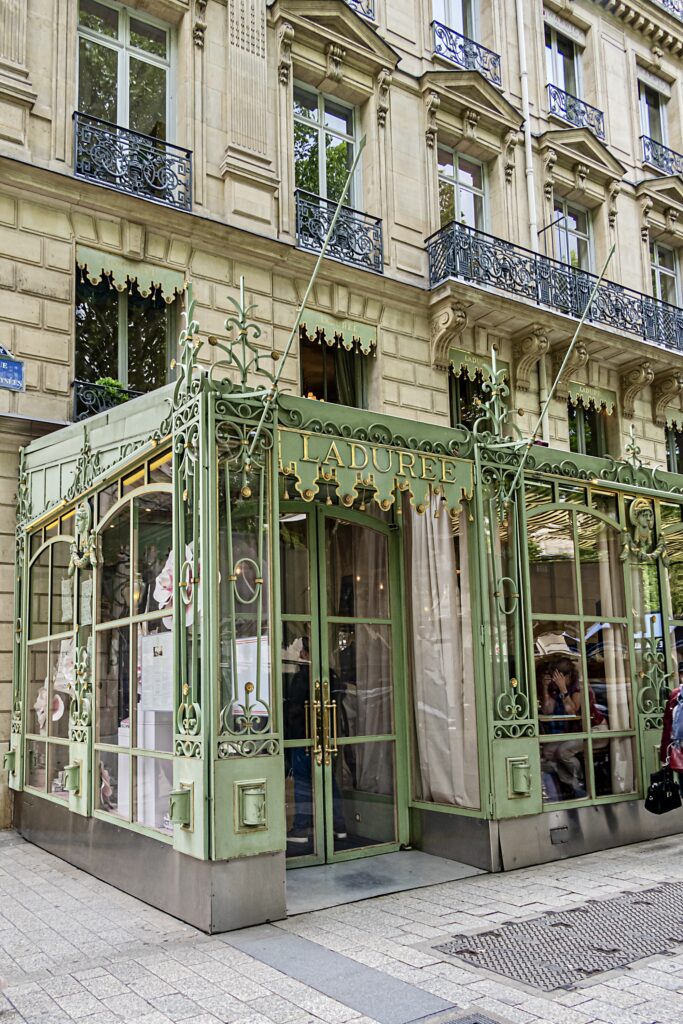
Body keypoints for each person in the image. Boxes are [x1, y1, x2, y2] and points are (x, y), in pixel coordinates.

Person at [538, 658, 586, 798]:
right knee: (548, 751)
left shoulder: (578, 687)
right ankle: (570, 784)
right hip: (570, 731)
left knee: (563, 752)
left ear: (567, 676)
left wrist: (563, 689)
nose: (555, 680)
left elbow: (573, 711)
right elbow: (547, 710)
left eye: (558, 677)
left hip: (587, 729)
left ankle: (579, 781)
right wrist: (546, 689)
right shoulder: (553, 687)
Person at [660, 662, 683, 795]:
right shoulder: (675, 695)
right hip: (679, 751)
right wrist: (665, 754)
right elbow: (668, 726)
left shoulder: (676, 695)